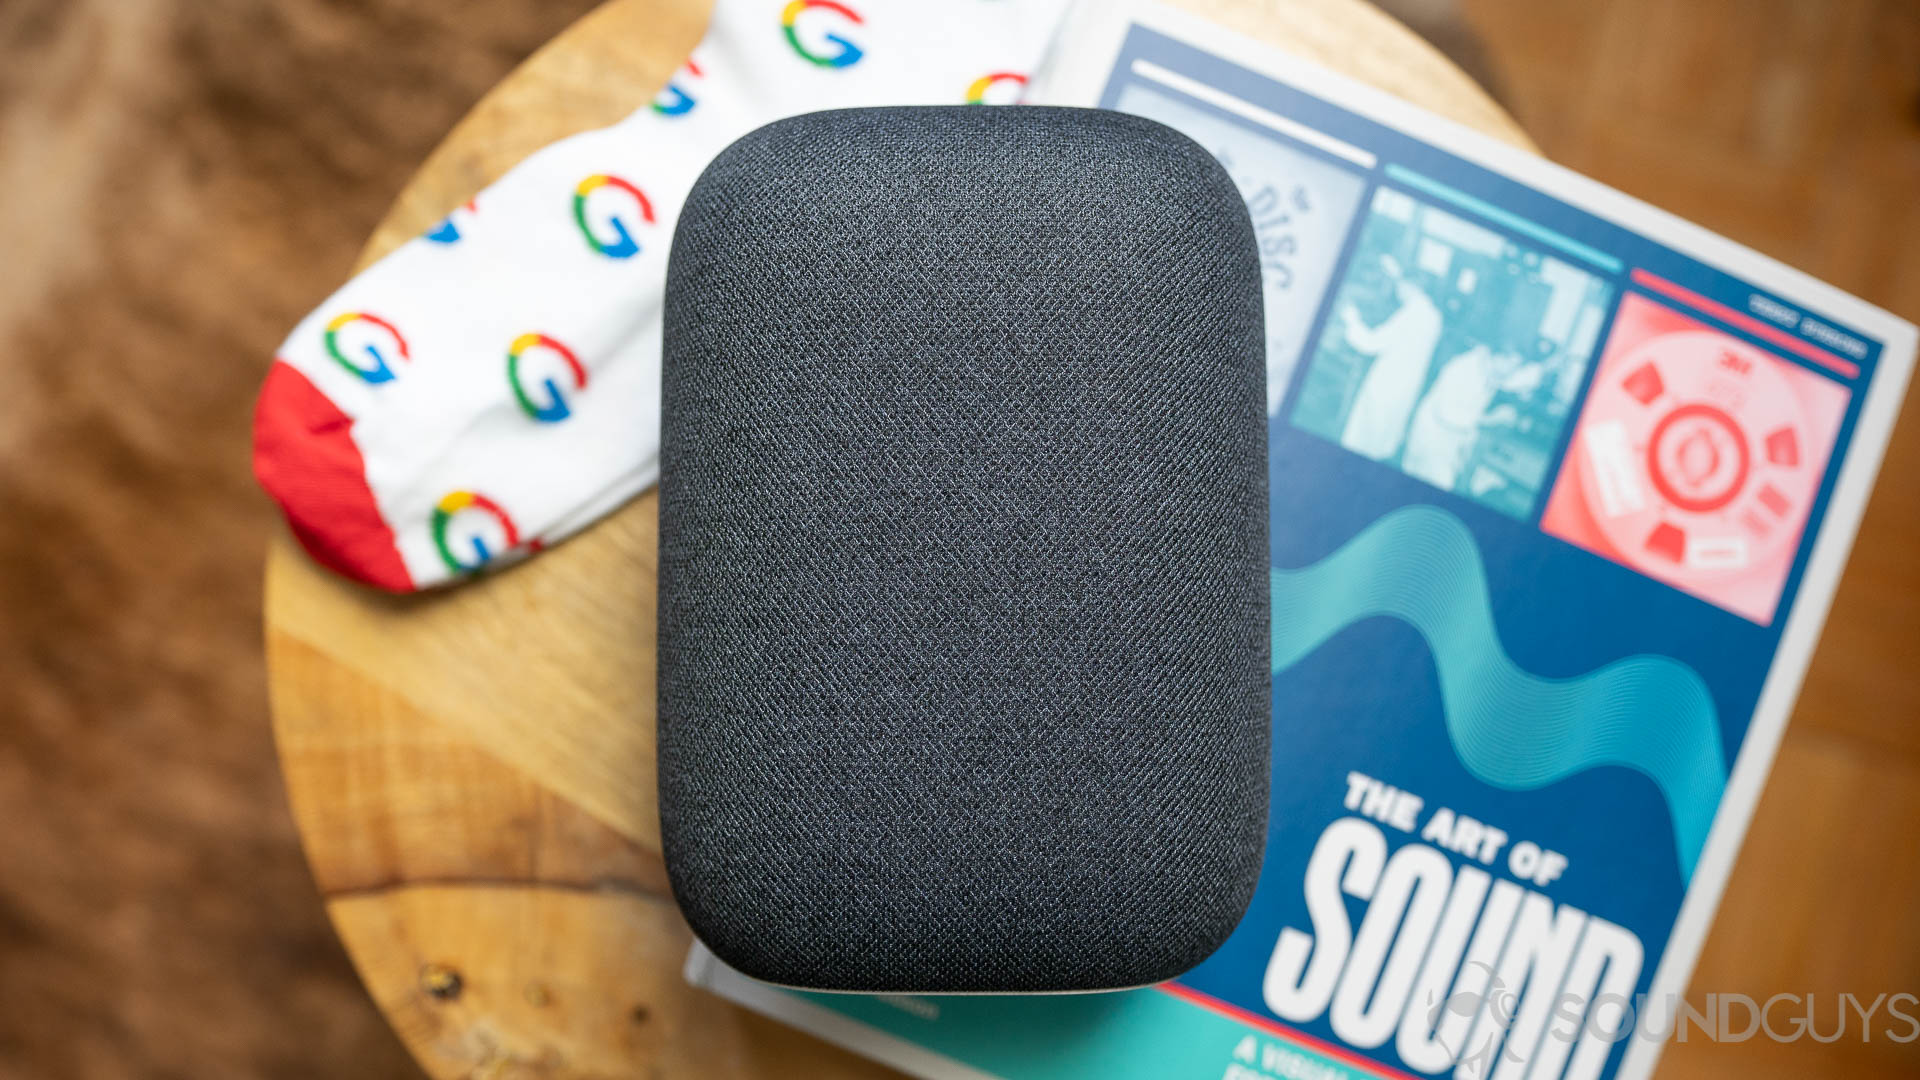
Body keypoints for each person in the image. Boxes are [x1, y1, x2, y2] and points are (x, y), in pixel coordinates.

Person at [1338, 255, 1444, 461]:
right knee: (1381, 443)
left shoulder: (1411, 315)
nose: (1397, 290)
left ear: (1411, 286)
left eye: (1401, 285)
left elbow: (1370, 343)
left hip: (1385, 387)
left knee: (1362, 442)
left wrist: (1351, 320)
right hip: (1405, 389)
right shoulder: (1433, 316)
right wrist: (1396, 272)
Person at [1402, 345, 1544, 491]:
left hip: (1449, 438)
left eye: (1515, 367)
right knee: (1435, 484)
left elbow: (1506, 384)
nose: (1511, 372)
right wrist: (1491, 419)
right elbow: (1448, 414)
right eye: (1511, 366)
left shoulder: (1490, 369)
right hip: (1433, 435)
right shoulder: (1465, 370)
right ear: (1498, 357)